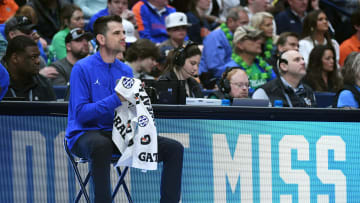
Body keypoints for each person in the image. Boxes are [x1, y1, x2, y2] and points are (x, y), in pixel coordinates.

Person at [66, 15, 183, 203]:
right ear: (101, 39)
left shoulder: (126, 70)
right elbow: (81, 115)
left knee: (174, 149)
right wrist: (116, 99)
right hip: (84, 134)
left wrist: (138, 102)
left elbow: (128, 112)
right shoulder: (81, 68)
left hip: (119, 135)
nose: (123, 36)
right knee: (101, 145)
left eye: (123, 32)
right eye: (117, 33)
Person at [199, 6, 249, 89]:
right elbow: (215, 69)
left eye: (247, 23)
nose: (247, 27)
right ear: (230, 22)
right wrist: (239, 66)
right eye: (243, 23)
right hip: (214, 81)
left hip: (234, 78)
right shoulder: (214, 37)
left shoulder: (240, 37)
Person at [221, 25, 276, 94]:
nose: (259, 41)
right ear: (240, 45)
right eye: (253, 38)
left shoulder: (264, 66)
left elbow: (275, 87)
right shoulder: (230, 69)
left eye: (259, 38)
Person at [252, 50, 316, 107]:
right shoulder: (264, 91)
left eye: (303, 59)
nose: (303, 62)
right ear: (284, 66)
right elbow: (257, 119)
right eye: (297, 60)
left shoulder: (308, 90)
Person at [1, 36, 56, 101]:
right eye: (33, 57)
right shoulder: (1, 80)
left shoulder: (44, 84)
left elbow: (52, 110)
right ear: (15, 58)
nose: (38, 61)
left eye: (38, 56)